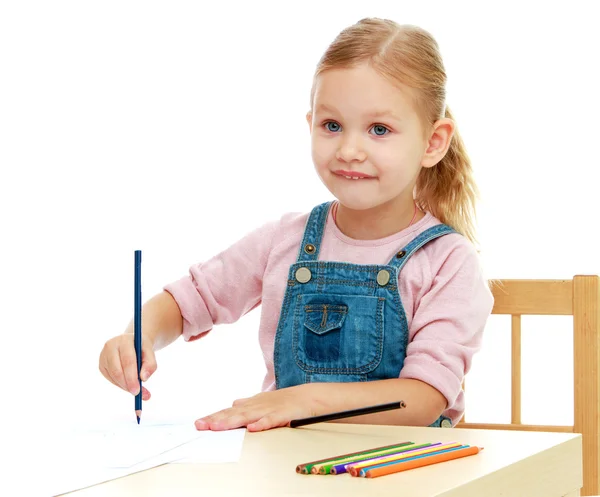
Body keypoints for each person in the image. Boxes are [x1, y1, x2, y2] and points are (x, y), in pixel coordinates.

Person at [99, 17, 494, 433]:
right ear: (310, 125)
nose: (349, 149)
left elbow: (419, 398)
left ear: (433, 142)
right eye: (332, 126)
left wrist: (306, 400)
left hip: (399, 473)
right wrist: (137, 336)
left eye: (379, 129)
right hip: (288, 468)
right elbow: (188, 301)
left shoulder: (448, 261)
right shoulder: (283, 241)